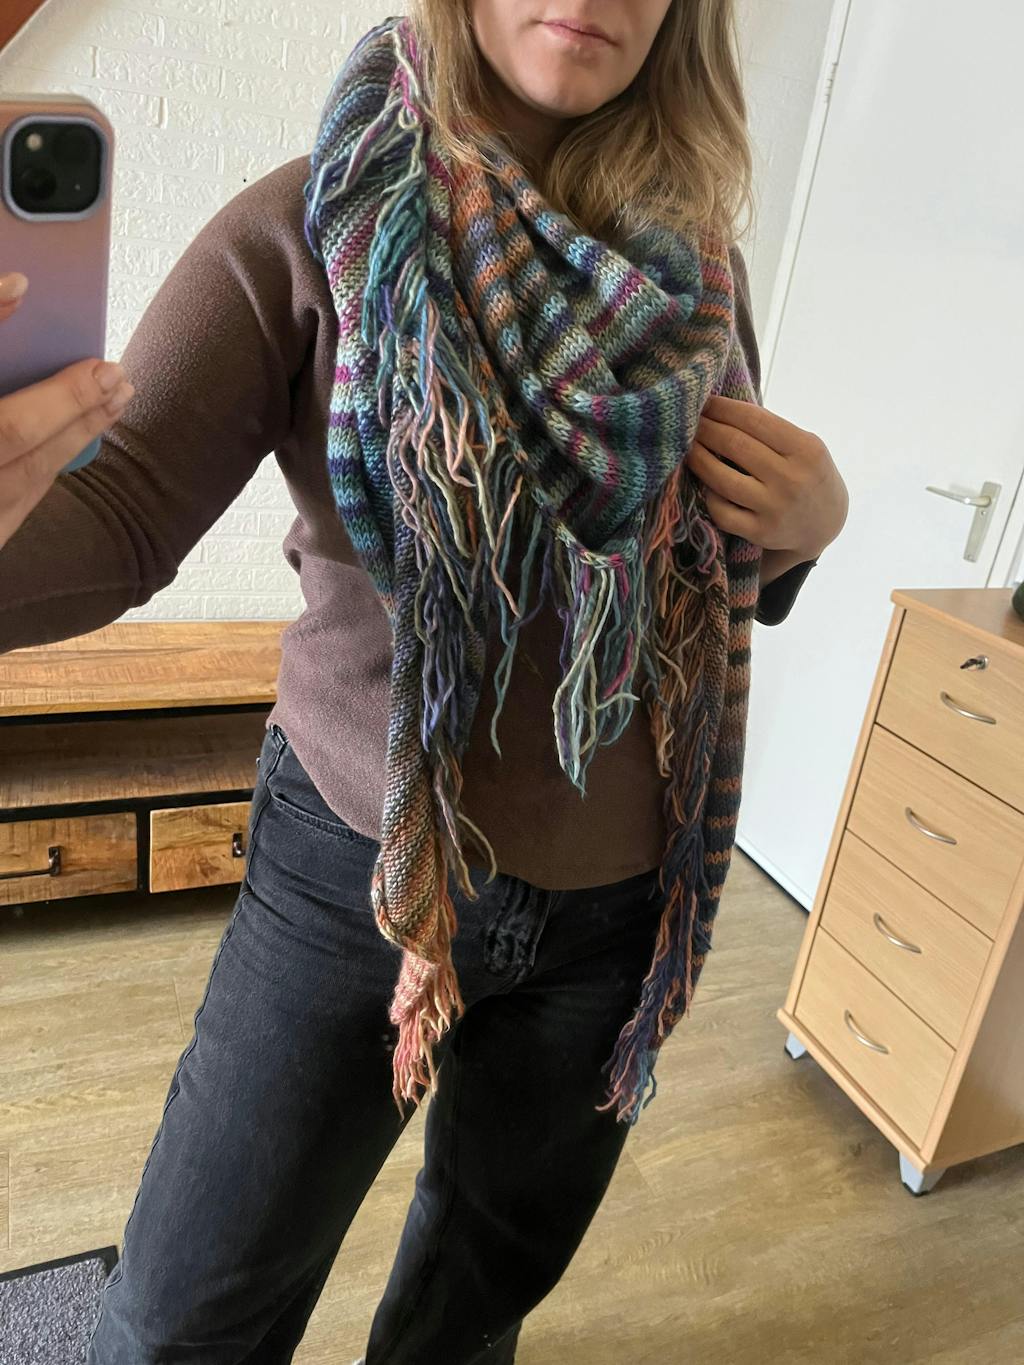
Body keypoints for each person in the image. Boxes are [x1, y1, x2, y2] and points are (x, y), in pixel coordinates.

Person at [0, 2, 847, 1361]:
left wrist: (806, 530)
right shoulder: (309, 227)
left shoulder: (697, 272)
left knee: (474, 1305)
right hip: (356, 871)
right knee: (181, 1322)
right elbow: (122, 514)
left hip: (619, 912)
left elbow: (697, 568)